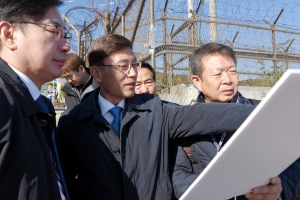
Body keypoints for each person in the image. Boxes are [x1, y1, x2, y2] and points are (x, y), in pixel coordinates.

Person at [56, 34, 255, 200]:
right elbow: (64, 181)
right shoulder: (72, 122)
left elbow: (204, 116)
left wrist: (264, 113)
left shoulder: (157, 110)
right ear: (97, 73)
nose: (132, 73)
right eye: (123, 66)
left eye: (134, 64)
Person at [171, 42, 300, 199]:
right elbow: (178, 175)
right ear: (197, 81)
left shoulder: (263, 112)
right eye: (217, 74)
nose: (227, 80)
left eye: (232, 71)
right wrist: (211, 191)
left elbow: (293, 165)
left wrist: (280, 190)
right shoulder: (184, 123)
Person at [0, 0, 71, 199]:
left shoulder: (42, 106)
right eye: (53, 31)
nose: (66, 46)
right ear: (9, 35)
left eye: (65, 34)